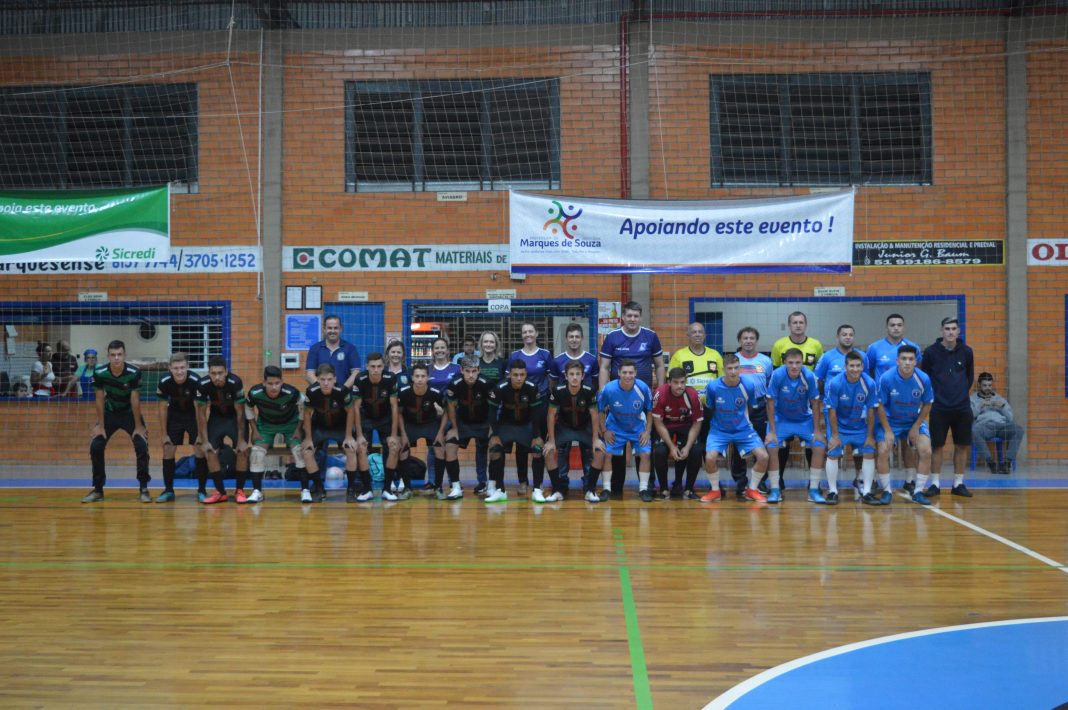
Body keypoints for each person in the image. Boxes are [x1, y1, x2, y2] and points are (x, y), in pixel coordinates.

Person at [82, 340, 150, 503]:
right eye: (113, 355)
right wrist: (100, 425)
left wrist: (139, 426)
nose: (116, 358)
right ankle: (98, 490)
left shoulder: (134, 372)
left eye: (119, 354)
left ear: (124, 355)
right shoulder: (100, 373)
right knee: (96, 446)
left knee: (141, 445)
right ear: (108, 356)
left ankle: (144, 489)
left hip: (129, 414)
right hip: (110, 413)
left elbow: (135, 400)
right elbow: (99, 399)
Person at [701, 354, 770, 503]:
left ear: (740, 368)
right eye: (729, 368)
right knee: (710, 458)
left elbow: (751, 407)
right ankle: (715, 491)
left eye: (736, 368)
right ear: (723, 369)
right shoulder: (713, 387)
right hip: (719, 430)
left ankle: (752, 490)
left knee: (763, 456)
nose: (733, 371)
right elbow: (709, 409)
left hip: (743, 429)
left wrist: (740, 421)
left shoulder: (748, 385)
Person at [866, 314, 923, 491]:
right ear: (887, 327)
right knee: (881, 443)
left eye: (899, 325)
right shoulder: (874, 348)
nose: (896, 328)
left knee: (908, 443)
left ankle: (910, 480)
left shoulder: (913, 348)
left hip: (906, 404)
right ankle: (877, 480)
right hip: (882, 405)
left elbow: (917, 373)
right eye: (892, 325)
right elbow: (868, 372)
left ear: (903, 327)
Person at [764, 348, 826, 504]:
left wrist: (817, 430)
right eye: (790, 362)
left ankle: (813, 490)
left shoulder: (809, 376)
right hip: (781, 419)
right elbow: (770, 403)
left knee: (819, 445)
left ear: (802, 362)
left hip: (803, 420)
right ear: (784, 362)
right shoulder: (777, 375)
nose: (794, 366)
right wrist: (772, 431)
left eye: (798, 362)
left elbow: (815, 403)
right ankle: (775, 489)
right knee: (772, 446)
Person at [921, 317, 975, 498]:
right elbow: (925, 378)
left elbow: (969, 377)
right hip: (939, 407)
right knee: (937, 446)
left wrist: (959, 394)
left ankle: (958, 483)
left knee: (962, 445)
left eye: (953, 329)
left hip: (962, 407)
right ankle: (935, 484)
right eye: (947, 329)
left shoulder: (967, 352)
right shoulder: (930, 352)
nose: (950, 332)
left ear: (958, 331)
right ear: (941, 331)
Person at [875, 345, 934, 505]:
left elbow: (928, 404)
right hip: (890, 421)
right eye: (903, 359)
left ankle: (918, 491)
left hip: (912, 421)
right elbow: (879, 405)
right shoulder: (886, 378)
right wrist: (888, 430)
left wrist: (915, 427)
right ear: (897, 361)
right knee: (883, 450)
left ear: (915, 362)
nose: (907, 362)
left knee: (926, 450)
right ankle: (887, 491)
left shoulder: (923, 379)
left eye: (910, 359)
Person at [484, 359, 546, 503]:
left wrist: (536, 435)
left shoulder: (532, 387)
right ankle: (500, 490)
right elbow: (491, 411)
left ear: (526, 374)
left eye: (522, 375)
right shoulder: (500, 387)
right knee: (494, 448)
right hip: (506, 425)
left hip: (526, 425)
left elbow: (536, 413)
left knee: (538, 448)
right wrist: (495, 434)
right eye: (515, 375)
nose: (519, 378)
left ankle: (537, 490)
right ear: (509, 375)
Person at [824, 351, 879, 505]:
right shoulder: (835, 383)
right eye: (852, 366)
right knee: (833, 452)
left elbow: (871, 411)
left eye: (858, 366)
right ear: (845, 367)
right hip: (839, 426)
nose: (855, 369)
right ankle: (832, 491)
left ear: (862, 367)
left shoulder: (869, 383)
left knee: (869, 451)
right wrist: (835, 436)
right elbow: (832, 411)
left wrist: (870, 436)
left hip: (859, 426)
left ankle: (867, 491)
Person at [196, 356, 253, 503]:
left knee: (242, 451)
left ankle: (239, 490)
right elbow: (201, 414)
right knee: (210, 451)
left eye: (220, 373)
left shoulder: (235, 382)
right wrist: (204, 440)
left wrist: (241, 440)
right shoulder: (202, 384)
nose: (217, 377)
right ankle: (220, 492)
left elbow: (240, 413)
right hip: (216, 419)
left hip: (234, 419)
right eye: (213, 373)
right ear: (209, 373)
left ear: (226, 372)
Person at [247, 365, 307, 503]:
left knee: (299, 451)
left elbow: (304, 407)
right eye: (270, 383)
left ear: (282, 382)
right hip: (266, 425)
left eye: (277, 383)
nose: (274, 387)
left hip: (290, 424)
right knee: (256, 453)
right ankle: (257, 492)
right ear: (264, 383)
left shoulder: (292, 392)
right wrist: (254, 430)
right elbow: (248, 408)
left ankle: (305, 490)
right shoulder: (255, 393)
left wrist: (299, 428)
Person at [543, 359, 601, 502]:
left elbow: (595, 415)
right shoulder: (557, 390)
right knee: (548, 451)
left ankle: (590, 490)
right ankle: (557, 490)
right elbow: (550, 415)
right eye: (571, 374)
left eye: (578, 374)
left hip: (584, 427)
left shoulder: (590, 390)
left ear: (583, 376)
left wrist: (595, 439)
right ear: (566, 376)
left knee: (600, 451)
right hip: (564, 427)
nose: (574, 377)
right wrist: (551, 441)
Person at [597, 360, 655, 501]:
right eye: (624, 372)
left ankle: (643, 489)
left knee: (645, 454)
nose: (627, 376)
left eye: (630, 372)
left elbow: (650, 411)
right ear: (618, 373)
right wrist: (604, 431)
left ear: (635, 373)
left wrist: (647, 432)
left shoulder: (643, 388)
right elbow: (599, 410)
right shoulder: (608, 389)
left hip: (637, 427)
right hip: (615, 427)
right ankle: (606, 489)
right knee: (607, 454)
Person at [155, 353, 209, 503]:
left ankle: (202, 490)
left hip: (193, 415)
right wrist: (164, 434)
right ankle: (168, 490)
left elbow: (201, 410)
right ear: (170, 368)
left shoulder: (196, 381)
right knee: (168, 449)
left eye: (182, 367)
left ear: (188, 367)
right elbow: (162, 409)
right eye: (176, 368)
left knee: (199, 449)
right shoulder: (164, 382)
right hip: (174, 416)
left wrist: (200, 434)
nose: (179, 371)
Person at [301, 363, 358, 503]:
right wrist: (308, 438)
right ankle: (320, 489)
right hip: (320, 427)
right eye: (322, 379)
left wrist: (349, 436)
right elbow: (307, 414)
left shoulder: (342, 391)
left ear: (335, 379)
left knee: (351, 449)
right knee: (307, 452)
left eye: (329, 379)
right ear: (317, 379)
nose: (326, 383)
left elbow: (351, 411)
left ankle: (351, 489)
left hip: (340, 427)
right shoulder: (311, 391)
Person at [510, 323, 554, 495]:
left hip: (541, 403)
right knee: (521, 444)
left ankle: (538, 483)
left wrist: (548, 400)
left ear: (536, 333)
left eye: (530, 331)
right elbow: (510, 380)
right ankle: (522, 482)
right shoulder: (515, 355)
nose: (527, 334)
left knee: (538, 442)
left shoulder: (545, 354)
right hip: (521, 404)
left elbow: (552, 380)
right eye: (524, 332)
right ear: (521, 335)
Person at [351, 352, 402, 502]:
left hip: (385, 417)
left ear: (383, 366)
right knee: (361, 447)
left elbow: (394, 407)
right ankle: (367, 489)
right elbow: (355, 408)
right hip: (366, 417)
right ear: (367, 366)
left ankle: (387, 489)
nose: (376, 370)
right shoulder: (360, 379)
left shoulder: (390, 378)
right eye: (372, 366)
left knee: (393, 447)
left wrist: (394, 434)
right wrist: (359, 435)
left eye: (379, 366)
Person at [442, 357, 495, 500]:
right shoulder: (454, 383)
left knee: (494, 446)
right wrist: (454, 428)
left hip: (483, 423)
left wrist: (492, 428)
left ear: (479, 370)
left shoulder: (487, 383)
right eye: (467, 371)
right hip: (462, 423)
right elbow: (451, 406)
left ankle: (488, 485)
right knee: (450, 445)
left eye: (474, 371)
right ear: (461, 370)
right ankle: (455, 486)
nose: (471, 375)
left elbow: (493, 406)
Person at [397, 363, 450, 499]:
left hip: (430, 424)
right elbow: (398, 413)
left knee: (439, 448)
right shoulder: (403, 392)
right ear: (412, 377)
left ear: (428, 377)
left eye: (423, 376)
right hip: (410, 424)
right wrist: (403, 434)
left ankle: (438, 487)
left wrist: (440, 433)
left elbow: (447, 411)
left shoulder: (435, 392)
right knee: (403, 450)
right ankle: (407, 488)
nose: (420, 379)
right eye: (417, 376)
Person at [732, 327, 773, 497]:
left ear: (756, 341)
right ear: (739, 341)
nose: (748, 341)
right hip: (738, 407)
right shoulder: (734, 360)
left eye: (752, 338)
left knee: (760, 445)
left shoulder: (766, 361)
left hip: (760, 407)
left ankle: (759, 482)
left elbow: (769, 383)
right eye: (745, 338)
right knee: (738, 445)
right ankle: (740, 483)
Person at [651, 367, 704, 499]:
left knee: (696, 450)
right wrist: (671, 446)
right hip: (665, 425)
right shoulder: (660, 393)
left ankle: (688, 489)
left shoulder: (693, 395)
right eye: (676, 382)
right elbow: (658, 423)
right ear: (669, 382)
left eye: (682, 382)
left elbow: (697, 423)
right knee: (660, 451)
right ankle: (663, 489)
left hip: (686, 425)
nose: (680, 386)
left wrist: (687, 447)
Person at [599, 301, 665, 388]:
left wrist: (661, 391)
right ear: (623, 317)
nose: (632, 319)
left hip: (643, 391)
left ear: (640, 318)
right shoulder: (612, 337)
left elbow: (660, 365)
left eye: (636, 316)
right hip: (617, 392)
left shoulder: (651, 336)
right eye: (629, 316)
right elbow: (604, 367)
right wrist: (602, 391)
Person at [473, 330, 508, 495]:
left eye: (491, 342)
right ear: (481, 344)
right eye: (485, 341)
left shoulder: (502, 363)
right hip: (479, 410)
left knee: (496, 446)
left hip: (497, 410)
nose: (488, 344)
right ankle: (482, 481)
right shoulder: (476, 363)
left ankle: (496, 481)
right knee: (480, 447)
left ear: (496, 344)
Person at [424, 337, 460, 494]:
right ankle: (433, 482)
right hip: (432, 415)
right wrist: (434, 407)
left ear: (447, 350)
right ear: (433, 351)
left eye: (442, 347)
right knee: (433, 449)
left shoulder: (457, 369)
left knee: (451, 448)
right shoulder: (428, 370)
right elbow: (424, 392)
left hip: (452, 415)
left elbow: (460, 391)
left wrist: (449, 409)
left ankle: (453, 482)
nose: (439, 350)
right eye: (436, 348)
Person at [971, 372, 1024, 474]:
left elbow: (1010, 417)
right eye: (984, 385)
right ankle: (991, 463)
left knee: (1018, 430)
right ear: (979, 385)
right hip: (984, 426)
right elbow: (970, 415)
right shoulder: (973, 398)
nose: (988, 388)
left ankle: (1007, 463)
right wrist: (980, 406)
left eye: (990, 385)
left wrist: (1002, 407)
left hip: (1001, 426)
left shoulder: (999, 398)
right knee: (974, 431)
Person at [305, 314, 361, 389]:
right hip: (321, 393)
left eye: (336, 328)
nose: (332, 331)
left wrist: (342, 389)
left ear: (341, 329)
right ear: (324, 329)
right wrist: (323, 389)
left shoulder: (350, 349)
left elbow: (356, 373)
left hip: (344, 393)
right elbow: (309, 375)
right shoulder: (315, 349)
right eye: (329, 328)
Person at [814, 324, 865, 397]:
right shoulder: (827, 356)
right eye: (844, 335)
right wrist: (821, 398)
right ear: (837, 337)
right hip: (831, 400)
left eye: (851, 335)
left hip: (855, 400)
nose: (848, 337)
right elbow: (818, 380)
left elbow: (866, 378)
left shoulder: (862, 356)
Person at [553, 323, 599, 389]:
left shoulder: (592, 360)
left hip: (586, 395)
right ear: (566, 339)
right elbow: (553, 384)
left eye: (577, 337)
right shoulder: (557, 361)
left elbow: (595, 383)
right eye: (571, 337)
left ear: (582, 338)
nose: (574, 340)